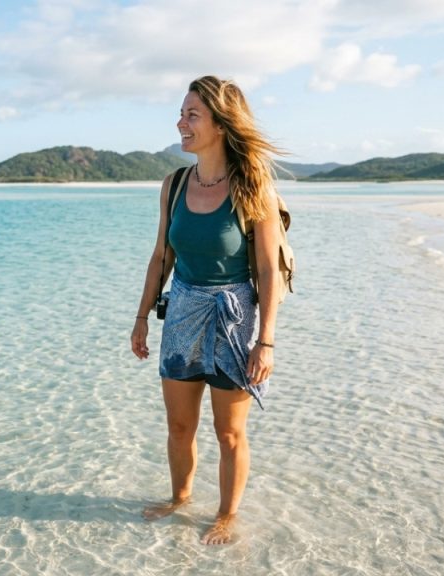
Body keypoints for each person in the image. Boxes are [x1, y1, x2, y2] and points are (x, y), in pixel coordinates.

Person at [130, 76, 283, 545]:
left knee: (228, 432)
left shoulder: (254, 186)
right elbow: (161, 256)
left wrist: (267, 341)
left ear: (220, 122)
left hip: (235, 318)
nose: (181, 122)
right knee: (179, 425)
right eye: (181, 113)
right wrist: (139, 318)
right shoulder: (174, 184)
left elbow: (268, 269)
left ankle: (226, 515)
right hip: (181, 312)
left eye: (191, 114)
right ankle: (179, 499)